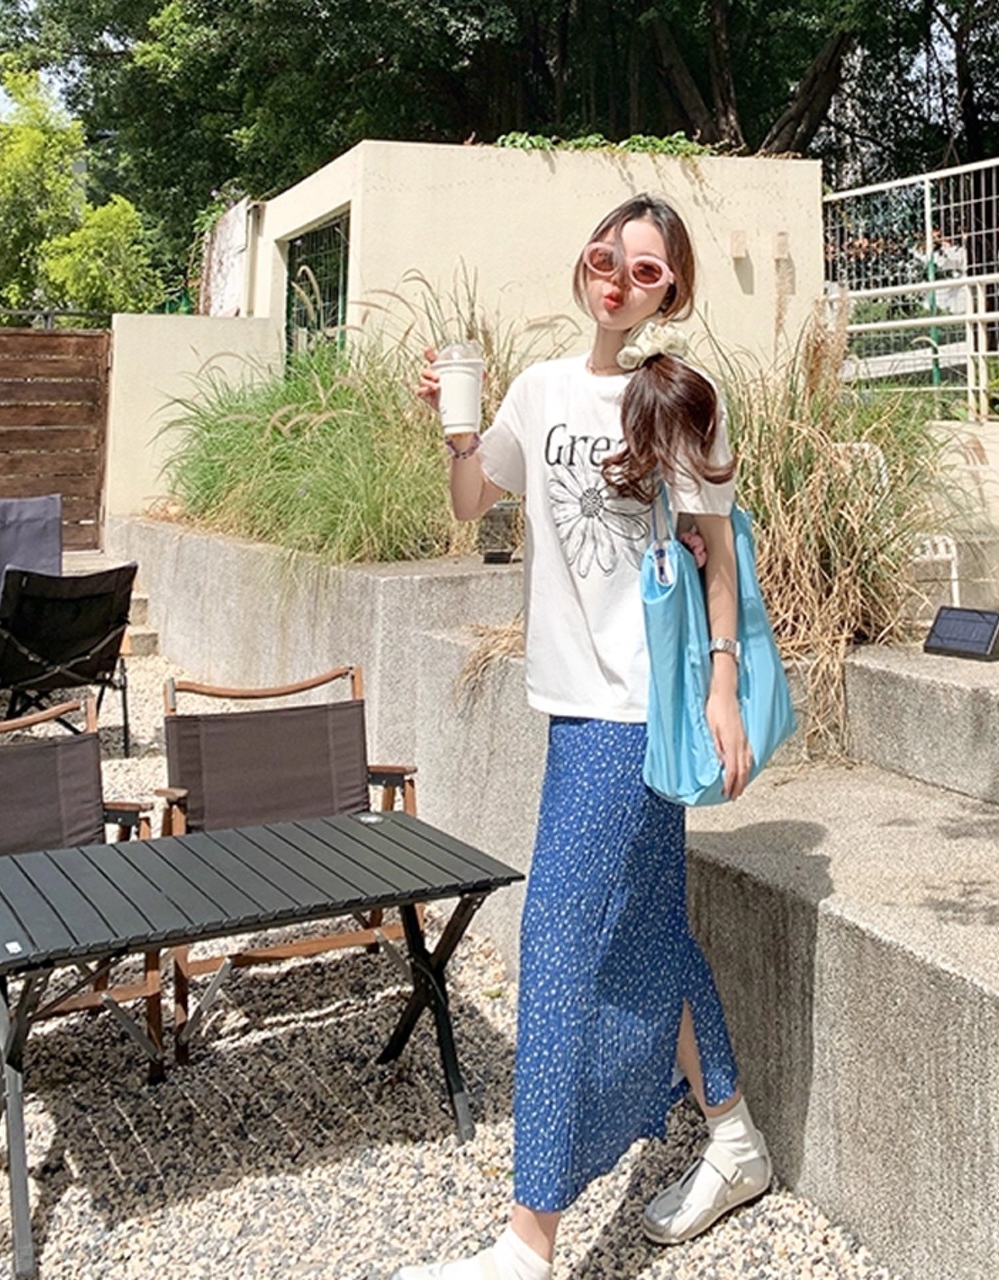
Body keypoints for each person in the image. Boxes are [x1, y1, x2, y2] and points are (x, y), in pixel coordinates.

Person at [398, 193, 769, 1280]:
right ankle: (734, 1138)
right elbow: (471, 501)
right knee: (651, 931)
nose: (617, 280)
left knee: (556, 944)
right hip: (573, 705)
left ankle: (529, 1241)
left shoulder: (678, 397)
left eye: (645, 270)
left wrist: (722, 686)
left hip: (636, 708)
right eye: (606, 256)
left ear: (671, 292)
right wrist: (456, 427)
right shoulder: (539, 387)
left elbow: (716, 554)